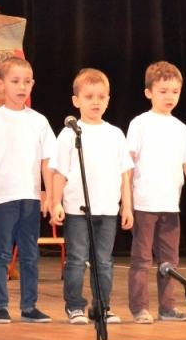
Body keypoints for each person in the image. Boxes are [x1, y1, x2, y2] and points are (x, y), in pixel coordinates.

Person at [126, 61, 186, 324]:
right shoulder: (140, 124)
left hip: (170, 205)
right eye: (163, 91)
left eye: (175, 91)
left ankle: (167, 308)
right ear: (149, 93)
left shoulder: (181, 129)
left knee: (169, 261)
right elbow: (128, 164)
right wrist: (126, 201)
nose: (169, 97)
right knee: (142, 259)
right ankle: (140, 308)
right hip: (144, 203)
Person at [0, 56, 56, 324]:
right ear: (1, 84)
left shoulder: (39, 121)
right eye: (15, 81)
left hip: (30, 197)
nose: (22, 87)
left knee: (30, 254)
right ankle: (0, 306)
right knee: (2, 253)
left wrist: (50, 195)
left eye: (27, 81)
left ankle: (29, 306)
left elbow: (47, 161)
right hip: (3, 198)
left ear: (33, 84)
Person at [49, 68, 134, 325]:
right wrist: (55, 202)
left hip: (108, 210)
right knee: (76, 259)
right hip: (77, 209)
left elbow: (125, 174)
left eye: (101, 97)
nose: (95, 102)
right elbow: (59, 172)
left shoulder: (115, 134)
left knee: (104, 262)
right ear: (76, 101)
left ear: (108, 100)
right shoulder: (69, 133)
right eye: (89, 97)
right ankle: (75, 306)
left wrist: (127, 207)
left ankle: (102, 307)